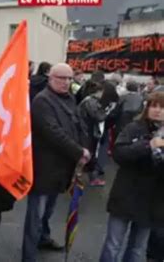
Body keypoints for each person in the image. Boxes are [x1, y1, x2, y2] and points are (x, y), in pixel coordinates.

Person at [22, 63, 90, 262]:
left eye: (69, 78)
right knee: (35, 216)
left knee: (48, 212)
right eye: (61, 78)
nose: (66, 82)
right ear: (50, 78)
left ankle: (43, 238)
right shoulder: (42, 101)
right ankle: (29, 255)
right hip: (44, 169)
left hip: (62, 169)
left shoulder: (69, 99)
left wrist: (85, 149)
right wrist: (78, 151)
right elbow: (53, 133)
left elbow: (78, 126)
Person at [100, 92, 164, 262]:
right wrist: (147, 145)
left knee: (137, 249)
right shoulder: (134, 128)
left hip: (151, 201)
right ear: (147, 107)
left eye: (162, 107)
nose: (157, 110)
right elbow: (119, 154)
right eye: (153, 106)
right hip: (126, 195)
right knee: (113, 245)